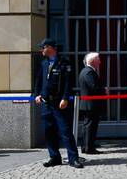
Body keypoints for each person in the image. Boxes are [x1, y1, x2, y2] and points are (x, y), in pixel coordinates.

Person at [33, 38, 82, 168]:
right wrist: (37, 94)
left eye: (43, 47)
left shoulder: (64, 62)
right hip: (46, 103)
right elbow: (38, 80)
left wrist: (65, 98)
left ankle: (73, 158)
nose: (41, 50)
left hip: (59, 103)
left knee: (65, 131)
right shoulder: (44, 63)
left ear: (50, 47)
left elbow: (68, 82)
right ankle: (54, 157)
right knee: (49, 132)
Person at [77, 52, 105, 155]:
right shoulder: (89, 72)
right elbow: (94, 87)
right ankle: (89, 147)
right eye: (98, 60)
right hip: (91, 104)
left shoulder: (86, 71)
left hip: (88, 104)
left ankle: (86, 146)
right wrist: (103, 90)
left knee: (88, 126)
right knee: (90, 126)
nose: (100, 62)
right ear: (93, 61)